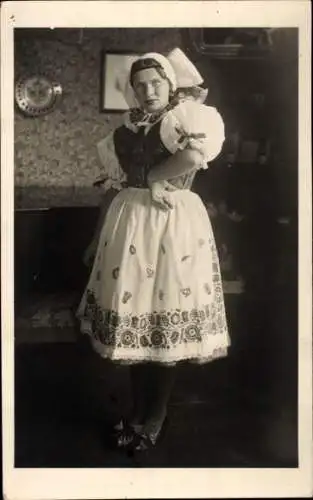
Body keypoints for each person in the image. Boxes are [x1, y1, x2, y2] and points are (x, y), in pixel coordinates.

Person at [77, 48, 230, 452]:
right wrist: (96, 239)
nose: (148, 91)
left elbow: (194, 155)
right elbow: (112, 190)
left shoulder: (186, 118)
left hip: (172, 228)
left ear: (169, 83)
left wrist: (157, 177)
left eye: (156, 83)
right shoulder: (123, 131)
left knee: (162, 325)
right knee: (135, 325)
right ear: (132, 90)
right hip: (128, 228)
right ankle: (134, 411)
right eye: (140, 85)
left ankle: (155, 416)